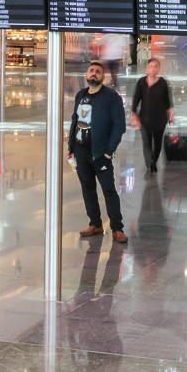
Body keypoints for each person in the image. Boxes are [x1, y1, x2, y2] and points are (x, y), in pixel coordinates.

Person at [68, 60, 128, 242]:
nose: (94, 74)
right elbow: (74, 121)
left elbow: (119, 126)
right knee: (87, 188)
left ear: (104, 77)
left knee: (108, 190)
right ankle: (95, 223)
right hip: (80, 152)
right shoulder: (80, 95)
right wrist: (71, 148)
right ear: (86, 75)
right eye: (91, 71)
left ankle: (117, 227)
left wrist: (109, 152)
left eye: (98, 72)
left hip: (100, 153)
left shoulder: (112, 98)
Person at [130, 57, 174, 172]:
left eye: (155, 66)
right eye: (151, 66)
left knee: (158, 141)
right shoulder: (141, 82)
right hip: (144, 118)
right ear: (147, 68)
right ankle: (148, 162)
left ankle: (154, 161)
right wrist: (133, 113)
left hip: (160, 118)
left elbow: (167, 99)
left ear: (158, 69)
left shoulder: (163, 82)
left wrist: (170, 111)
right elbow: (136, 98)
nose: (153, 69)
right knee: (147, 142)